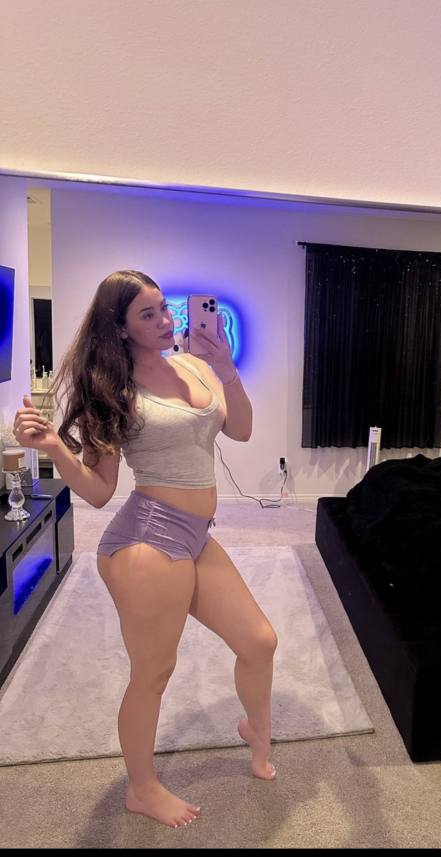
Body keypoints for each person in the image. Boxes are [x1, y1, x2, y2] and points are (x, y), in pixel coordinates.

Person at [12, 270, 278, 830]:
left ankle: (255, 729)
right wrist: (56, 447)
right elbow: (99, 491)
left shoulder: (195, 365)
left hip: (196, 534)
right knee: (154, 672)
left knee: (259, 641)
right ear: (121, 327)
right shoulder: (112, 390)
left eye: (165, 308)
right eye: (148, 314)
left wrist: (227, 368)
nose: (166, 321)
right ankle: (142, 788)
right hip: (146, 540)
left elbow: (242, 431)